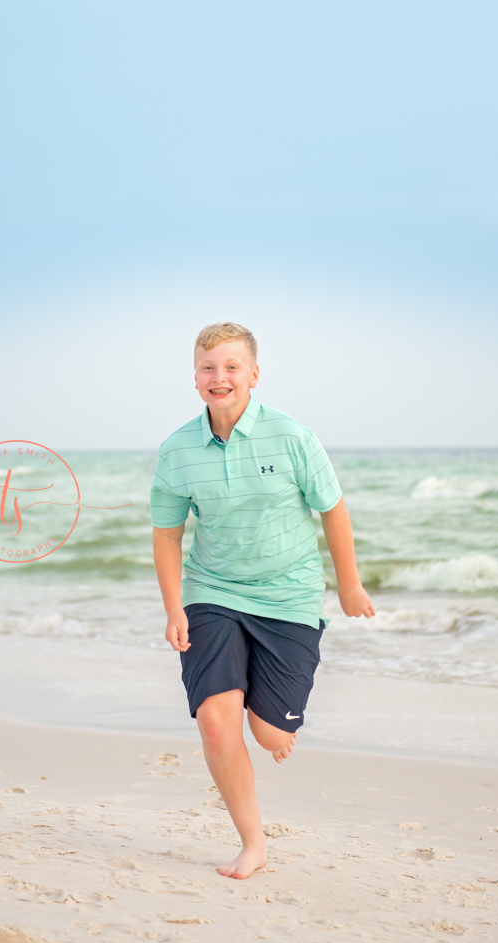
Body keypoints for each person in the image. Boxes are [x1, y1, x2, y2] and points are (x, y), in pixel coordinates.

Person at [150, 322, 374, 879]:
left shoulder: (293, 436)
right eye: (208, 367)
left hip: (289, 594)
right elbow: (168, 533)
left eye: (231, 367)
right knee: (216, 723)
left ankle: (268, 712)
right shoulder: (178, 449)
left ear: (254, 374)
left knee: (270, 733)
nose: (219, 377)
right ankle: (253, 843)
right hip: (213, 591)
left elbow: (333, 509)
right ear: (194, 376)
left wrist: (348, 585)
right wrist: (175, 607)